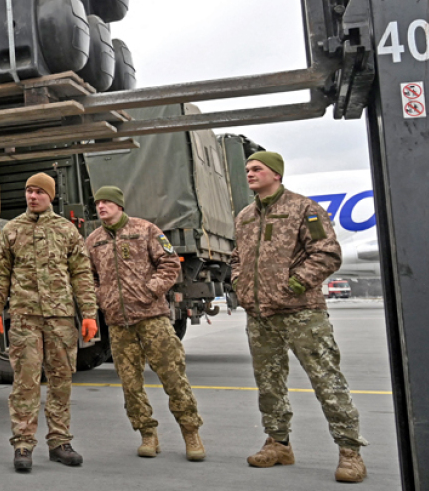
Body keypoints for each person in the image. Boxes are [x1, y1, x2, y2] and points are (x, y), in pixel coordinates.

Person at [232, 151, 367, 483]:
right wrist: (240, 284)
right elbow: (237, 257)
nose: (249, 173)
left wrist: (292, 284)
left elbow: (327, 253)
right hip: (260, 315)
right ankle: (278, 443)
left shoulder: (303, 208)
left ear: (275, 174)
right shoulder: (245, 216)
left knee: (327, 381)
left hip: (301, 313)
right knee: (269, 384)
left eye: (257, 169)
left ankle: (350, 452)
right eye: (247, 169)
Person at [0, 172, 98, 472]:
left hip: (61, 318)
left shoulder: (67, 231)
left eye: (38, 192)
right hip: (25, 318)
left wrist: (89, 314)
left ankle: (60, 442)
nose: (32, 196)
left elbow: (82, 275)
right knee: (25, 382)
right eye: (29, 191)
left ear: (50, 196)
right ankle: (23, 444)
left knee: (61, 381)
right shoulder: (11, 230)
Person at [85, 186, 205, 461]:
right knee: (130, 383)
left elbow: (170, 263)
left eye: (106, 202)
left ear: (119, 205)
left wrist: (151, 290)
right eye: (98, 203)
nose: (101, 206)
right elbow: (87, 277)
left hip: (152, 318)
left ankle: (191, 432)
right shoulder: (93, 241)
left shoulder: (146, 230)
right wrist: (101, 297)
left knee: (173, 376)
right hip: (118, 323)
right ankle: (147, 434)